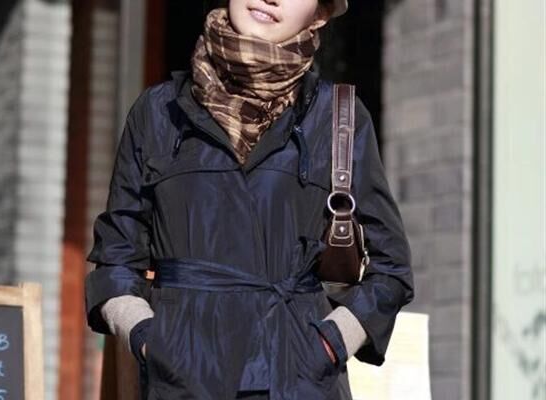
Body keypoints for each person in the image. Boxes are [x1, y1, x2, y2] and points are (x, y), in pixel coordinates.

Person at [84, 0, 415, 399]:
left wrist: (327, 344)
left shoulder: (338, 117)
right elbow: (117, 259)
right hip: (183, 381)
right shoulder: (158, 111)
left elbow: (391, 270)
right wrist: (149, 339)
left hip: (298, 380)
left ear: (320, 14)